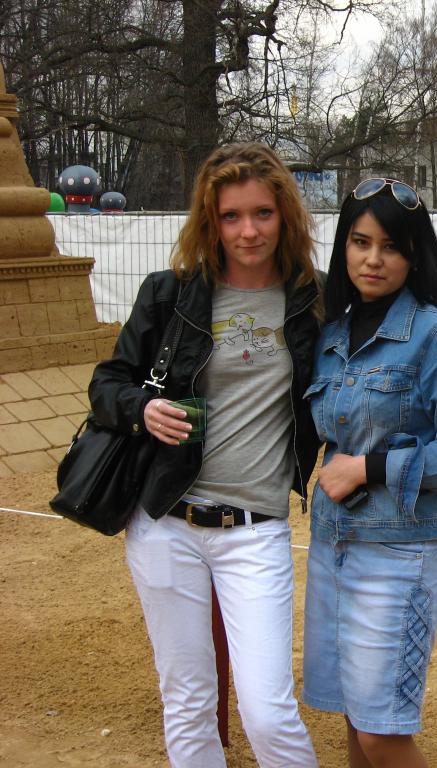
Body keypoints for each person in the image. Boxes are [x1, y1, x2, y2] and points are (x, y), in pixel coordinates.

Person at [88, 143, 322, 768]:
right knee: (188, 701)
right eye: (231, 216)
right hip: (166, 522)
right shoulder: (170, 294)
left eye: (263, 213)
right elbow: (108, 384)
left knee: (267, 710)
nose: (249, 231)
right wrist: (142, 409)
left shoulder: (313, 300)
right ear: (209, 222)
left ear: (285, 215)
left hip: (256, 529)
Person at [302, 177, 437, 768]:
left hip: (398, 552)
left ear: (414, 254)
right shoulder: (331, 334)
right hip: (332, 544)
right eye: (360, 242)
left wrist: (368, 467)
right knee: (356, 719)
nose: (373, 260)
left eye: (390, 246)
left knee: (382, 732)